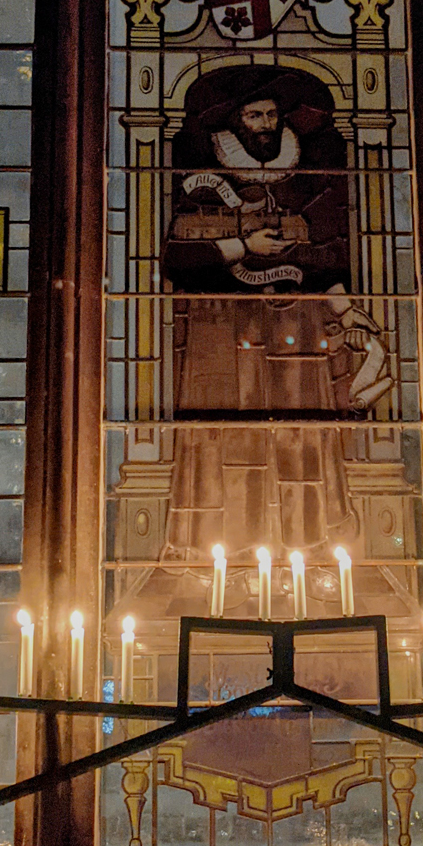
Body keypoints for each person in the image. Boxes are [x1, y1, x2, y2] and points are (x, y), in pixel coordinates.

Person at [159, 64, 380, 567]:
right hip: (220, 328)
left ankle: (308, 547)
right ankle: (220, 557)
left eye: (271, 115)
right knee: (224, 439)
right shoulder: (200, 183)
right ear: (235, 123)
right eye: (255, 115)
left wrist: (348, 311)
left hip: (293, 330)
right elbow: (175, 259)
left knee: (300, 433)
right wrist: (242, 245)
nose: (265, 124)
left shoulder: (302, 179)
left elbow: (327, 255)